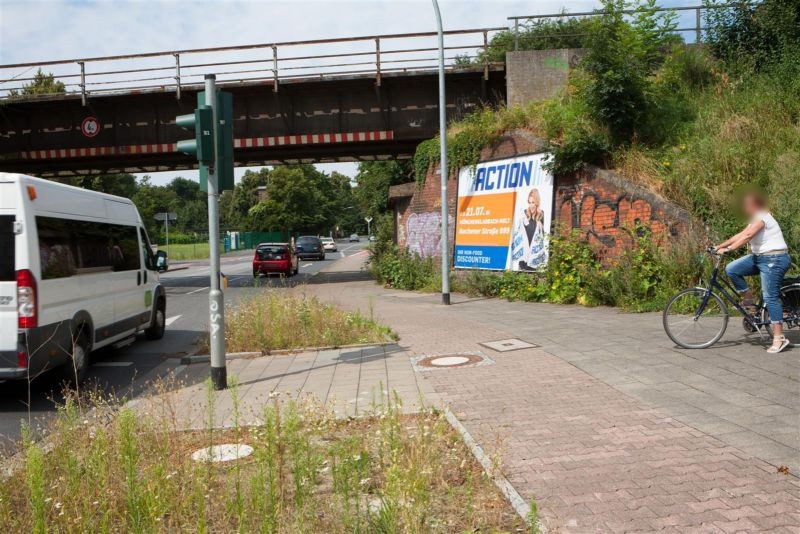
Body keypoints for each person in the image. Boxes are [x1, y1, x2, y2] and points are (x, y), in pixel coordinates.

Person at [715, 191, 791, 353]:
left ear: (755, 205)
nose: (745, 207)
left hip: (774, 259)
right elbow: (741, 234)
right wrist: (719, 246)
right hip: (759, 258)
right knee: (732, 269)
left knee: (770, 296)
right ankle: (749, 301)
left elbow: (748, 236)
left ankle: (779, 337)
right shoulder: (755, 219)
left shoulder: (763, 216)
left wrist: (728, 250)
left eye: (747, 204)